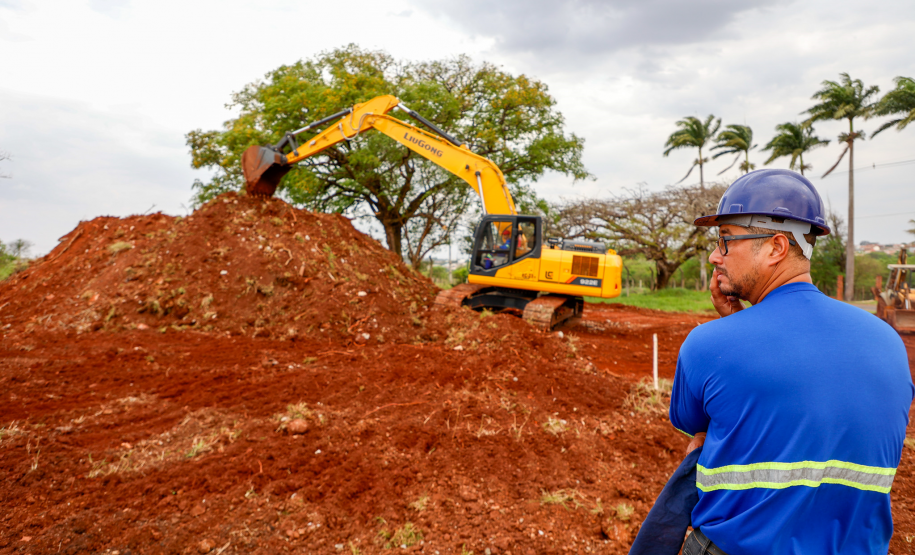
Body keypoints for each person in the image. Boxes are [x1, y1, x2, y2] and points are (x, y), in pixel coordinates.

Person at [668, 169, 913, 555]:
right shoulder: (890, 343)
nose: (715, 256)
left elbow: (694, 424)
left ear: (776, 247)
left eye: (726, 240)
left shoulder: (708, 344)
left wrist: (732, 326)